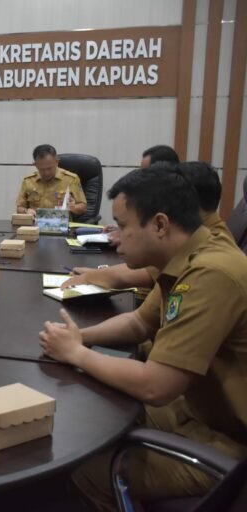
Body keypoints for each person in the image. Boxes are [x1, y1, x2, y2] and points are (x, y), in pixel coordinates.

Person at [39, 166, 247, 511]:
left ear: (160, 225)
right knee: (88, 421)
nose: (115, 237)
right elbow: (138, 324)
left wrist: (77, 354)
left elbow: (157, 386)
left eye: (122, 227)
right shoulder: (189, 256)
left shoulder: (211, 274)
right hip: (192, 410)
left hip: (227, 443)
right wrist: (80, 337)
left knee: (84, 469)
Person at [61, 161, 235, 291]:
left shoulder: (209, 264)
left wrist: (92, 276)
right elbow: (141, 321)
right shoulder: (191, 239)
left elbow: (136, 276)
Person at [16, 144, 87, 218]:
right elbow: (19, 208)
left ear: (57, 162)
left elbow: (83, 207)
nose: (46, 173)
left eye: (50, 168)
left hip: (61, 225)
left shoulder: (71, 179)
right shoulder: (28, 181)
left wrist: (73, 207)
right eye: (42, 169)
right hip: (35, 225)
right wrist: (26, 211)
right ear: (35, 165)